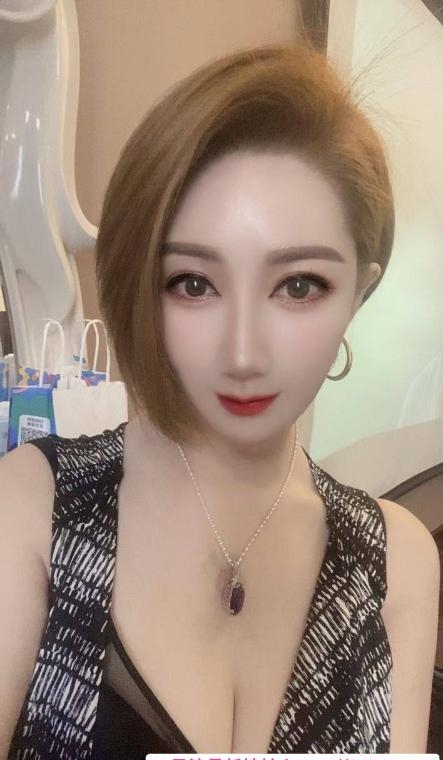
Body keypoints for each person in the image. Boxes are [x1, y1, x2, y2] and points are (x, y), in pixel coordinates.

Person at [2, 42, 440, 759]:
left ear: (358, 293)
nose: (242, 354)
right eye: (194, 284)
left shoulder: (396, 566)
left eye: (298, 285)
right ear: (143, 285)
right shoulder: (32, 510)